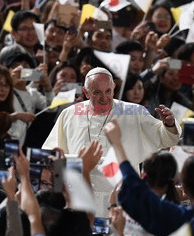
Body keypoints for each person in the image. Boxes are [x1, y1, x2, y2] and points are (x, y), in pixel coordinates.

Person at [42, 67, 181, 167]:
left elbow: (165, 139)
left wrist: (169, 124)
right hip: (81, 189)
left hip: (120, 191)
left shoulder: (134, 111)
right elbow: (53, 152)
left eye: (108, 91)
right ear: (86, 92)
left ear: (114, 87)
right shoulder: (70, 113)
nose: (104, 98)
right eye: (97, 92)